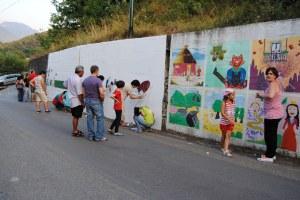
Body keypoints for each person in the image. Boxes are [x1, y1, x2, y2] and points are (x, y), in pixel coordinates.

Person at [256, 67, 284, 162]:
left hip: (273, 114)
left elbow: (271, 96)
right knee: (272, 135)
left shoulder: (272, 84)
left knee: (269, 135)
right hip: (275, 113)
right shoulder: (275, 84)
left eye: (271, 73)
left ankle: (269, 156)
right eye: (267, 73)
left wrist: (260, 95)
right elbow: (271, 97)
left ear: (275, 76)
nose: (268, 75)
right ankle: (272, 154)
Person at [82, 65, 107, 142]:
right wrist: (102, 99)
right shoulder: (98, 81)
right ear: (96, 71)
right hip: (96, 101)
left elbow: (83, 93)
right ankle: (98, 137)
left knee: (90, 118)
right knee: (100, 118)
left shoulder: (85, 80)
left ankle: (91, 136)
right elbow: (101, 93)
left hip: (87, 100)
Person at [64, 66, 85, 137]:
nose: (83, 73)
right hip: (77, 100)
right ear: (81, 72)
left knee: (75, 116)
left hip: (71, 99)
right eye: (83, 71)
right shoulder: (78, 79)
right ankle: (75, 131)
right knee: (76, 116)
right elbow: (80, 93)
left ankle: (75, 129)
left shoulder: (70, 77)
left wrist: (71, 90)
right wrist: (82, 102)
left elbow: (64, 85)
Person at [220, 88, 235, 157]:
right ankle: (222, 147)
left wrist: (231, 120)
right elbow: (222, 113)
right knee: (223, 135)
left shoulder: (233, 102)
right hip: (224, 122)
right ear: (228, 95)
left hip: (230, 123)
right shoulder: (224, 102)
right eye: (232, 94)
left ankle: (226, 150)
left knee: (228, 136)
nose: (234, 95)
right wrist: (229, 119)